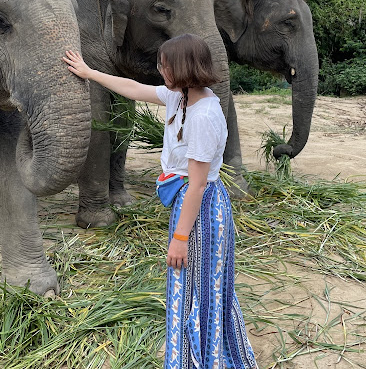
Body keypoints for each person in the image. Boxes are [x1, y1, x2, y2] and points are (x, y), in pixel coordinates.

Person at [63, 34, 257, 369]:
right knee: (193, 286)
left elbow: (197, 186)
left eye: (163, 65)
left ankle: (205, 359)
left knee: (202, 289)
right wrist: (89, 72)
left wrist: (180, 239)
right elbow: (134, 88)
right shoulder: (181, 97)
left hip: (203, 210)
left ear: (182, 68)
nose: (159, 70)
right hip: (189, 204)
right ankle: (192, 355)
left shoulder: (202, 115)